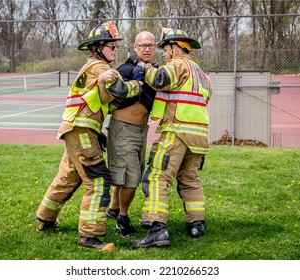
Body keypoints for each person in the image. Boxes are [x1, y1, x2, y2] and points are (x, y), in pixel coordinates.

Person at [35, 21, 144, 252]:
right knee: (98, 181)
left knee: (68, 177)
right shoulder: (101, 68)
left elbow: (100, 101)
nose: (115, 50)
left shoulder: (91, 67)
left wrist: (97, 132)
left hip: (78, 129)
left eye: (116, 46)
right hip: (81, 130)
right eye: (111, 46)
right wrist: (138, 83)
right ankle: (90, 236)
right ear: (98, 47)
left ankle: (45, 218)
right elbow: (120, 91)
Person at [131, 28, 212, 249]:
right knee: (190, 179)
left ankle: (157, 228)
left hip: (176, 131)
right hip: (199, 137)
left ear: (176, 49)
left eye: (165, 50)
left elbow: (160, 79)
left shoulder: (178, 64)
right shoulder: (201, 74)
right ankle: (197, 223)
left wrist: (143, 66)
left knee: (157, 177)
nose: (163, 55)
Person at [105, 31, 158, 237]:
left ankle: (113, 208)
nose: (146, 49)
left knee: (128, 172)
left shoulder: (155, 71)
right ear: (135, 47)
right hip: (123, 129)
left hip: (142, 130)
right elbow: (112, 92)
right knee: (131, 177)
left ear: (156, 48)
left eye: (151, 45)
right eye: (142, 45)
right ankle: (123, 218)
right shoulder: (125, 70)